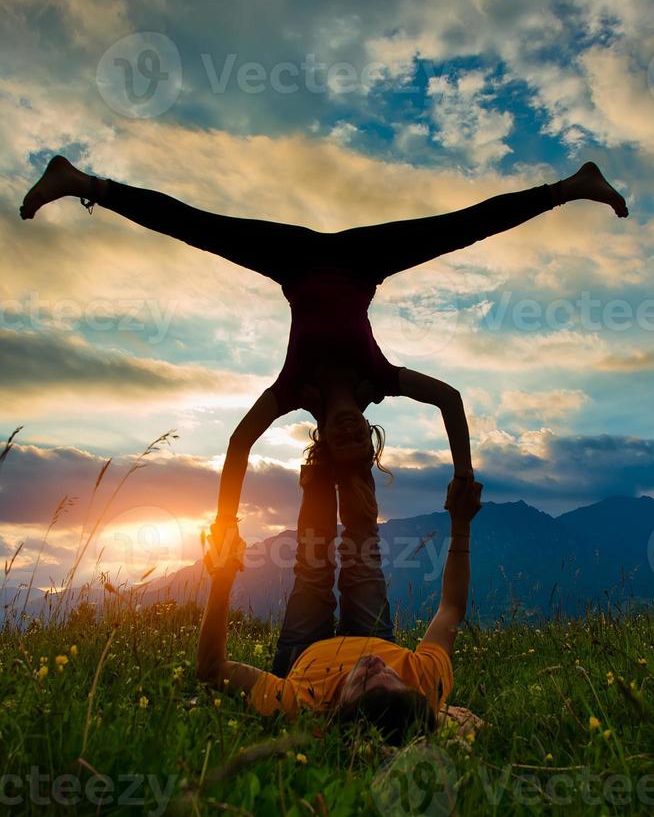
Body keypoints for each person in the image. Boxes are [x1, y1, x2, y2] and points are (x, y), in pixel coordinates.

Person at [20, 155, 627, 547]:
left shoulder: (294, 389)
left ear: (323, 441)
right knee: (457, 227)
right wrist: (463, 476)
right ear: (368, 433)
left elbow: (237, 443)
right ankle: (572, 186)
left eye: (340, 446)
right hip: (366, 261)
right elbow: (451, 398)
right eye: (363, 443)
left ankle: (79, 181)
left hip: (292, 260)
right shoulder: (378, 379)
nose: (351, 439)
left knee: (199, 227)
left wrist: (226, 524)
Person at [196, 460, 483, 745]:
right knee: (362, 562)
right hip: (375, 635)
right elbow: (451, 608)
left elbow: (212, 668)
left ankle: (319, 471)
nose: (374, 663)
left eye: (363, 681)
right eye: (389, 674)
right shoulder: (424, 681)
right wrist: (461, 523)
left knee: (313, 571)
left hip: (305, 651)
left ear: (338, 710)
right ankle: (355, 463)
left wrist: (222, 576)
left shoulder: (304, 705)